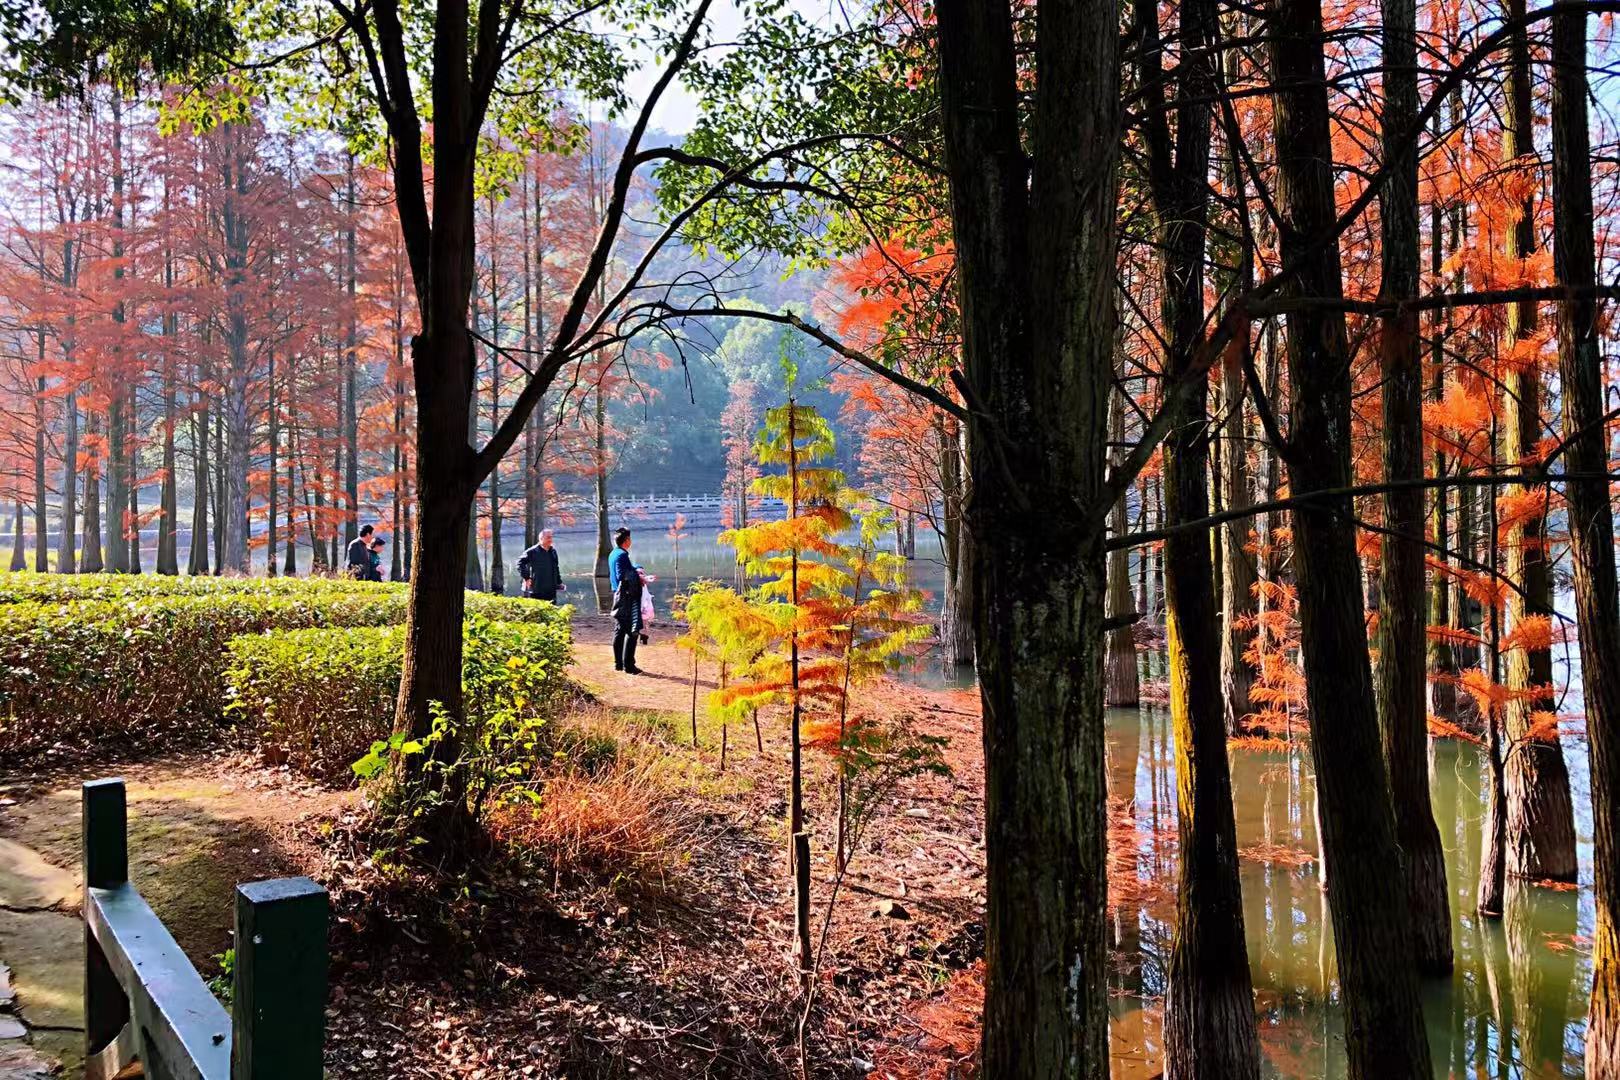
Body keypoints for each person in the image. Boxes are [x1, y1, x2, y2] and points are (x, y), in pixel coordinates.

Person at [609, 528, 643, 674]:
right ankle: (629, 665)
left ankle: (618, 663)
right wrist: (640, 578)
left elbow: (627, 569)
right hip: (625, 597)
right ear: (626, 540)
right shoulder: (622, 555)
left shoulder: (614, 553)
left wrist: (636, 569)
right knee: (632, 630)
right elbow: (622, 574)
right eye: (630, 538)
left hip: (617, 594)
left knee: (620, 630)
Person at [518, 529, 565, 602]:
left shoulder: (553, 551)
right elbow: (520, 563)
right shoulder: (532, 551)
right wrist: (527, 578)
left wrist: (559, 582)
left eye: (551, 537)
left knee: (551, 611)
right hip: (536, 589)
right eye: (548, 537)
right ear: (541, 539)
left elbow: (556, 568)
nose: (550, 539)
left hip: (551, 590)